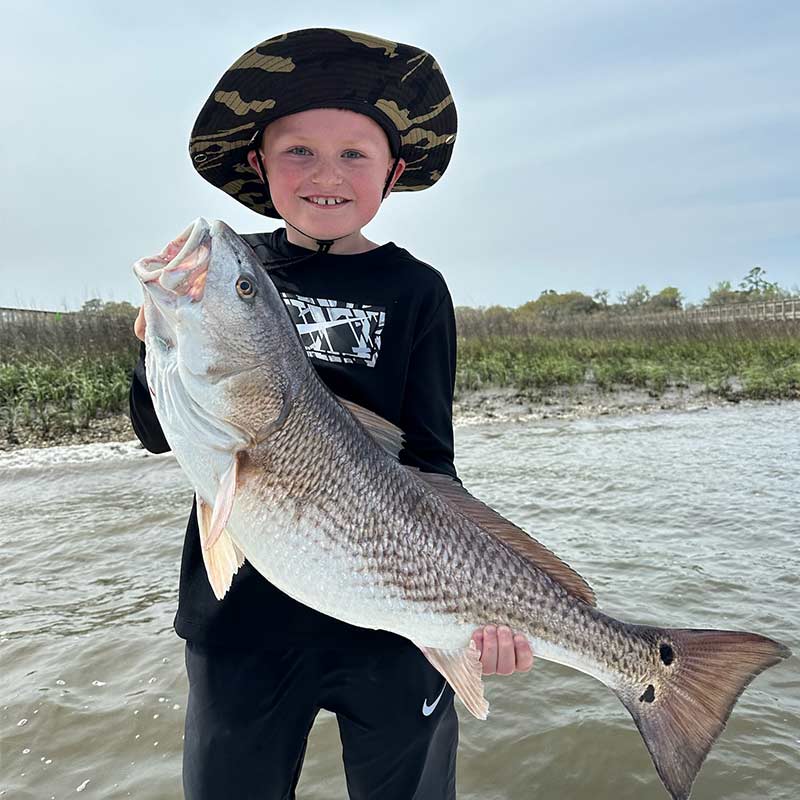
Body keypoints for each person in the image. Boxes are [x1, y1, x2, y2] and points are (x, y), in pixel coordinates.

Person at [130, 27, 533, 800]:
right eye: (298, 151)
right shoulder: (224, 272)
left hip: (397, 625)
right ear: (258, 165)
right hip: (239, 628)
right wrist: (154, 344)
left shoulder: (418, 290)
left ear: (395, 171)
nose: (327, 174)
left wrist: (487, 605)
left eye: (355, 153)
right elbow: (157, 433)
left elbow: (430, 462)